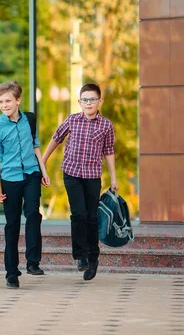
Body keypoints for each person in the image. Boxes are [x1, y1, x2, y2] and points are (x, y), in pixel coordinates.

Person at [42, 83, 117, 281]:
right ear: (79, 102)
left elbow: (109, 152)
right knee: (78, 214)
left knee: (92, 217)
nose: (89, 103)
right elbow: (56, 138)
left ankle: (93, 258)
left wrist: (114, 178)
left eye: (92, 99)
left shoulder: (106, 125)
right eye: (85, 99)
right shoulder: (72, 120)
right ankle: (81, 256)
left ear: (100, 101)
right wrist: (43, 160)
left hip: (92, 176)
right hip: (72, 173)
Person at [0, 81, 50, 289]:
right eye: (0, 101)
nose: (4, 105)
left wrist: (44, 171)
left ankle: (33, 262)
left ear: (18, 100)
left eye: (7, 101)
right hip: (10, 178)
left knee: (33, 213)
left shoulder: (29, 120)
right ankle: (11, 272)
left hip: (32, 174)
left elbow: (35, 145)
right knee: (12, 224)